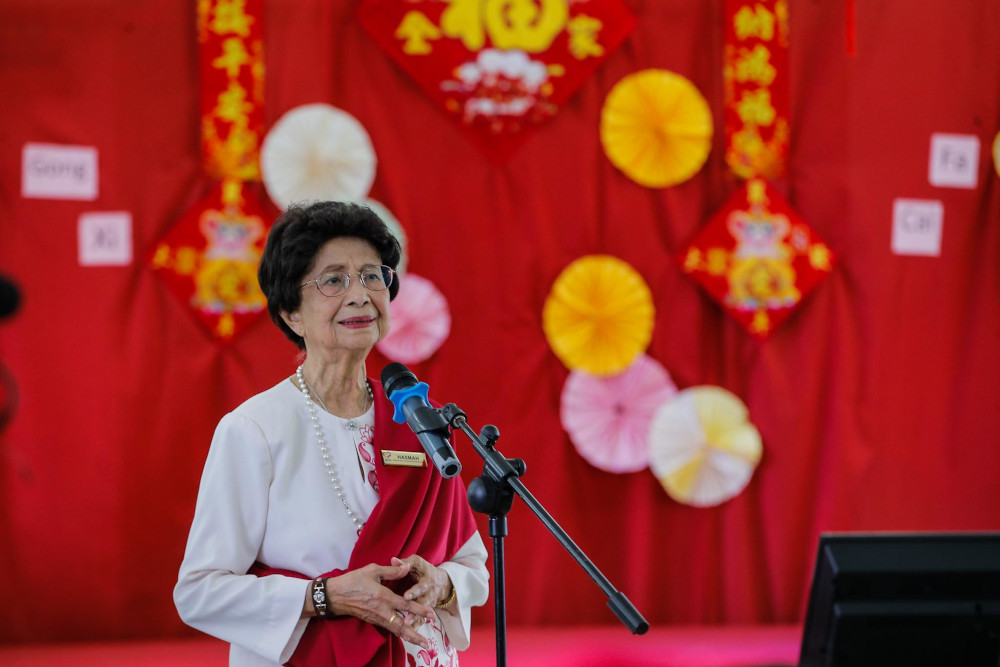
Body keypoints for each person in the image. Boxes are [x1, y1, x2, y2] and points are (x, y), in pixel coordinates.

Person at [174, 201, 489, 667]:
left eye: (372, 276)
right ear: (291, 314)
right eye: (334, 279)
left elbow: (472, 567)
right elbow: (200, 591)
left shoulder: (417, 419)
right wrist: (324, 596)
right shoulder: (254, 429)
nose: (360, 295)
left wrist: (442, 583)